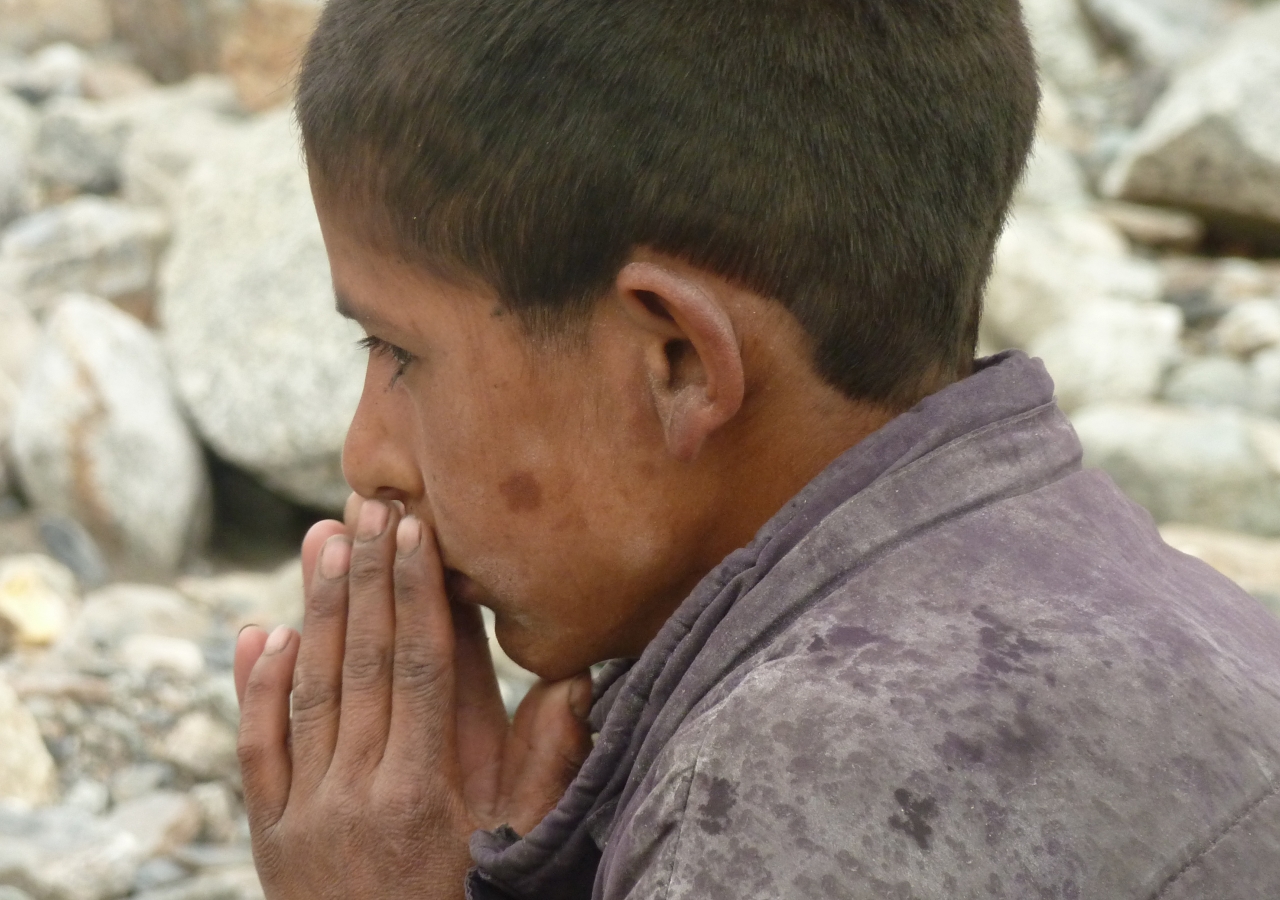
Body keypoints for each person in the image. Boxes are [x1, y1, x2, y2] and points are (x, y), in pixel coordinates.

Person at [231, 0, 1280, 897]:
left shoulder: (813, 788)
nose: (367, 455)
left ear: (679, 359)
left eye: (397, 351)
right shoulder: (1172, 619)